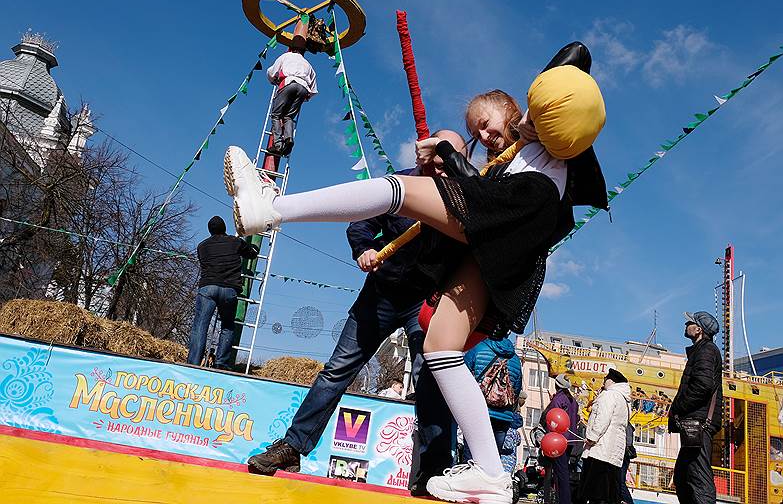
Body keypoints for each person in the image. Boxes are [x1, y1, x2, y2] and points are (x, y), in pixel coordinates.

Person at [226, 43, 607, 504]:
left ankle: (269, 209)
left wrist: (468, 146)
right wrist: (368, 247)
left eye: (487, 124)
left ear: (515, 109)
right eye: (475, 131)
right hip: (464, 255)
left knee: (398, 190)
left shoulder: (543, 142)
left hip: (508, 218)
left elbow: (566, 76)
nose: (488, 134)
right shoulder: (518, 153)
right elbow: (568, 65)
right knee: (439, 346)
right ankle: (490, 472)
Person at [246, 131, 468, 497]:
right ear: (426, 155)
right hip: (380, 295)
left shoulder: (461, 200)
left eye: (451, 159)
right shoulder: (400, 185)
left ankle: (435, 470)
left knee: (431, 377)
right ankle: (293, 447)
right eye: (438, 158)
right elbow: (361, 222)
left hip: (424, 301)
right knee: (337, 370)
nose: (443, 166)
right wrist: (364, 248)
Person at [187, 216, 259, 370]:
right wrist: (254, 248)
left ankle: (193, 362)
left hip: (208, 288)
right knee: (227, 326)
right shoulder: (235, 241)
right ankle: (221, 362)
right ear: (224, 228)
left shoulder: (202, 246)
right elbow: (251, 253)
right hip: (229, 289)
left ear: (209, 231)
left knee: (200, 326)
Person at [668, 311, 722, 504]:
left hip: (698, 422)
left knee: (698, 476)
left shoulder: (706, 350)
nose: (686, 325)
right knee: (683, 476)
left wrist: (678, 408)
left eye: (689, 322)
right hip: (695, 422)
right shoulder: (702, 350)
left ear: (699, 329)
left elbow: (703, 386)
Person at [462, 336, 523, 469]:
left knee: (471, 456)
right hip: (504, 416)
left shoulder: (478, 348)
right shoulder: (516, 360)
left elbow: (462, 374)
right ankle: (487, 486)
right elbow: (516, 390)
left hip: (478, 410)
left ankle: (469, 485)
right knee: (493, 459)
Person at [578, 369, 631, 504]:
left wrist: (591, 437)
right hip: (613, 454)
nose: (603, 383)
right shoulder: (624, 400)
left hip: (600, 450)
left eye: (605, 380)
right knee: (609, 494)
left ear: (612, 381)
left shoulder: (609, 395)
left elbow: (602, 419)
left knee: (595, 493)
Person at [266, 20, 317, 157]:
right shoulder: (308, 64)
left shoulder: (285, 56)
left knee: (276, 115)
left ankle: (277, 145)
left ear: (291, 48)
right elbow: (313, 88)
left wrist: (273, 81)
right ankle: (289, 138)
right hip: (303, 88)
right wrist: (304, 97)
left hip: (288, 83)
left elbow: (271, 72)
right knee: (289, 116)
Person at [542, 374, 579, 504]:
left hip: (558, 441)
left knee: (560, 473)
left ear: (556, 384)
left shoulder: (558, 400)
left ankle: (564, 500)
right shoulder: (572, 400)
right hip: (571, 440)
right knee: (563, 471)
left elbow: (552, 420)